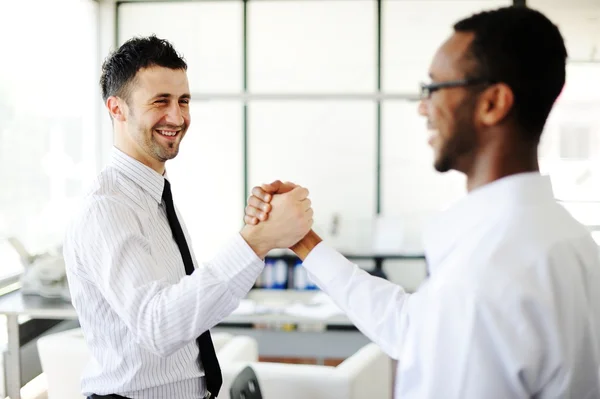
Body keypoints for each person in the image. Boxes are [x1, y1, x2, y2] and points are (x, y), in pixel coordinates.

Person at [244, 6, 600, 398]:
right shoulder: (571, 242)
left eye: (435, 88)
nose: (422, 107)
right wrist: (303, 241)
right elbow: (411, 327)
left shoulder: (483, 272)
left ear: (493, 103)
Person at [63, 35, 313, 399]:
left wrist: (254, 234)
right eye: (160, 102)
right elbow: (158, 326)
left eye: (183, 101)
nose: (177, 117)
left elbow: (187, 310)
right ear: (116, 109)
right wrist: (255, 242)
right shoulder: (107, 208)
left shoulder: (155, 196)